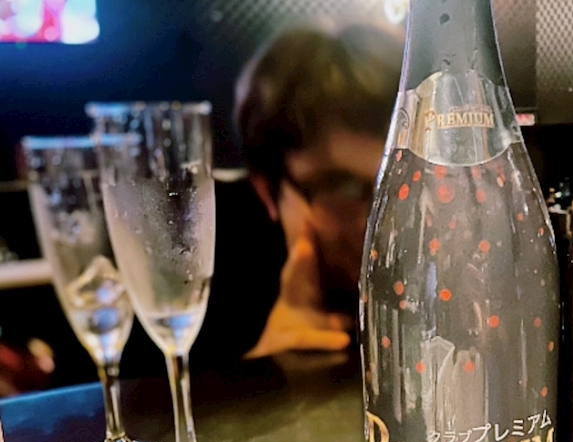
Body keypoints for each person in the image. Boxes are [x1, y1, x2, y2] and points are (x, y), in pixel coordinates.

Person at [117, 22, 403, 378]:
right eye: (342, 187)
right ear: (268, 189)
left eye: (397, 184)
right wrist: (266, 375)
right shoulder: (201, 282)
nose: (385, 222)